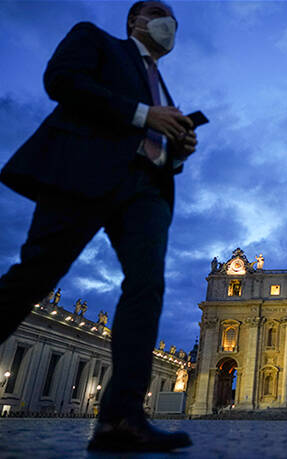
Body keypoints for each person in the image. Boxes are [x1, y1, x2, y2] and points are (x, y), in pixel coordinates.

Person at [0, 1, 196, 452]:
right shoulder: (96, 40)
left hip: (146, 190)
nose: (170, 23)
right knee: (35, 275)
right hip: (82, 171)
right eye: (159, 12)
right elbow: (61, 81)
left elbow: (152, 137)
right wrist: (144, 114)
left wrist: (180, 145)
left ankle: (122, 418)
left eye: (175, 19)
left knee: (146, 288)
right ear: (135, 21)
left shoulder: (161, 85)